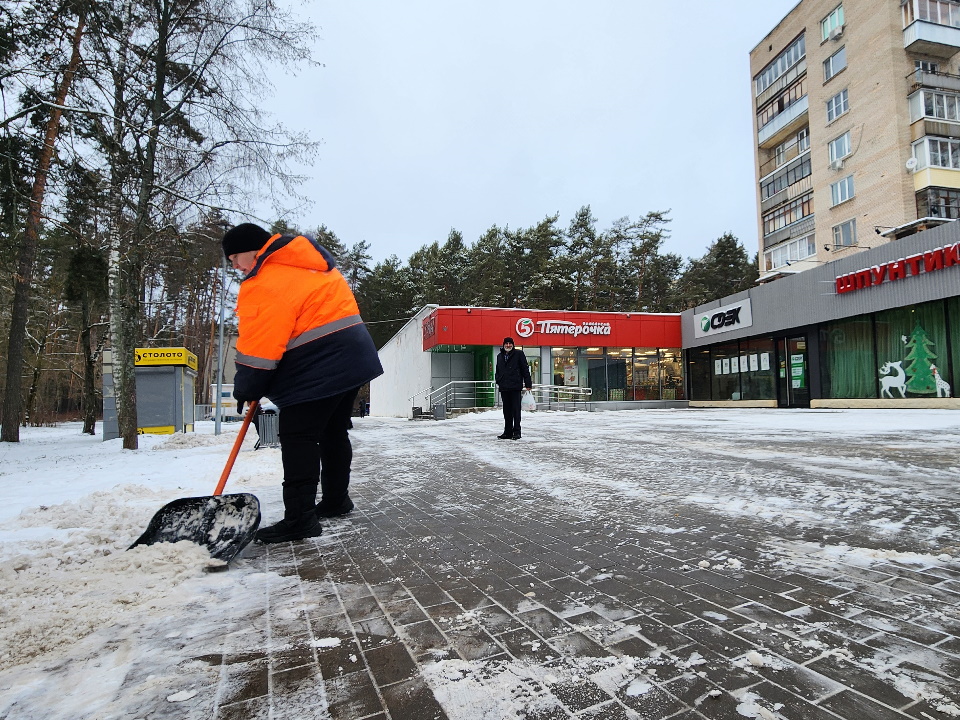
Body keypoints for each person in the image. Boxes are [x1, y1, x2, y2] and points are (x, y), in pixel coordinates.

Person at [223, 223, 383, 543]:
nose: (235, 267)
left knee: (298, 434)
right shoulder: (307, 263)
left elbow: (262, 342)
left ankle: (300, 519)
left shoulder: (265, 279)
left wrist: (248, 383)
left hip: (319, 364)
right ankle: (336, 500)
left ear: (252, 250)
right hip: (352, 357)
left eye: (234, 258)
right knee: (332, 431)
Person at [494, 337, 532, 440]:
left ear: (513, 345)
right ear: (503, 345)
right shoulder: (500, 356)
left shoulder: (519, 354)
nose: (508, 345)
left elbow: (525, 368)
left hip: (515, 386)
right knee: (506, 411)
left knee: (516, 410)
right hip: (504, 387)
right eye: (506, 343)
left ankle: (517, 432)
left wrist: (528, 383)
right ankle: (507, 432)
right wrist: (498, 380)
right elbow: (498, 369)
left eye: (510, 343)